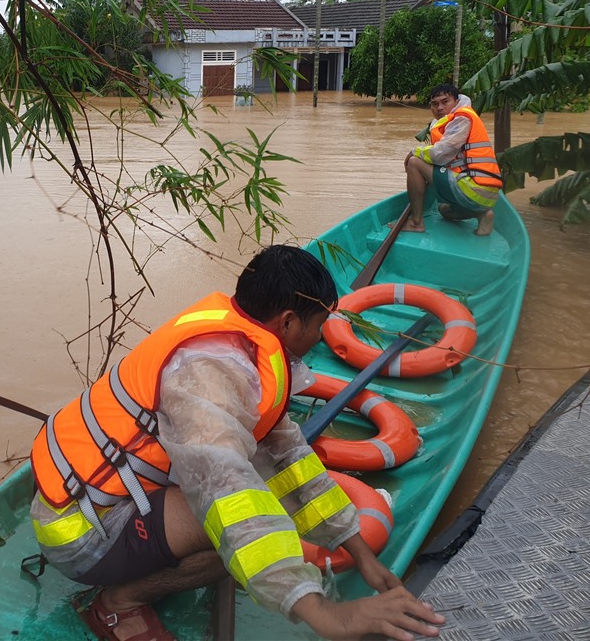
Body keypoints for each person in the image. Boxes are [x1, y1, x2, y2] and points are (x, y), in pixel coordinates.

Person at [29, 245, 445, 641]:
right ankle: (119, 601)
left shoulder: (242, 338)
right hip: (80, 533)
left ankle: (147, 563)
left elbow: (289, 457)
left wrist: (358, 550)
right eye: (318, 325)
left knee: (271, 490)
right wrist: (324, 613)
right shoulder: (210, 372)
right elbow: (228, 492)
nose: (321, 337)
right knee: (238, 521)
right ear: (287, 323)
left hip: (99, 497)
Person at [399, 83, 503, 235]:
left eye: (445, 101)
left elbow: (442, 153)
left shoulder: (462, 118)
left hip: (472, 189)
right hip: (487, 197)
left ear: (456, 101)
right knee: (444, 210)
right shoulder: (458, 119)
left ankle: (416, 223)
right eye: (434, 104)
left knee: (414, 162)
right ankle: (482, 214)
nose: (439, 107)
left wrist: (414, 151)